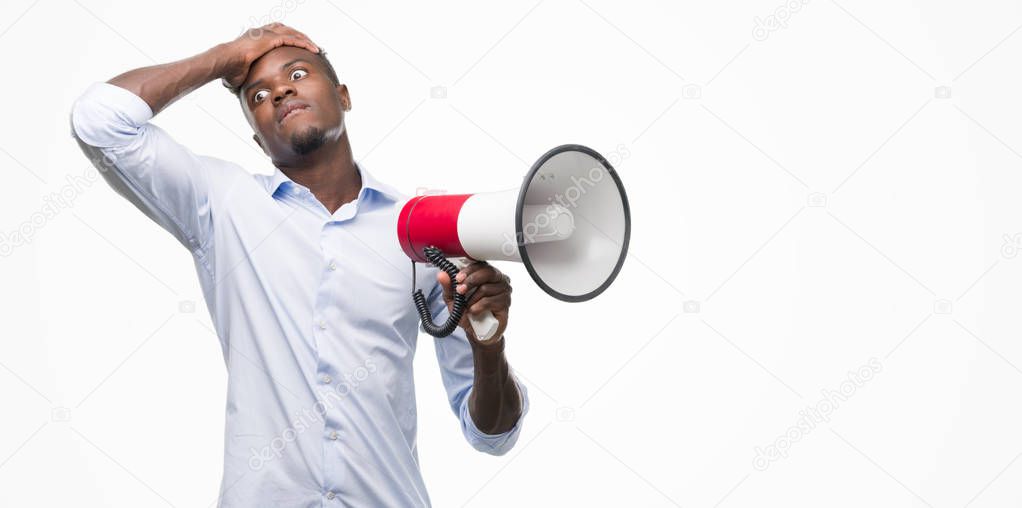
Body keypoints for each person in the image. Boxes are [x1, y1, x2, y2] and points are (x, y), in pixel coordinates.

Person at [70, 22, 527, 507]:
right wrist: (228, 56)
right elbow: (100, 120)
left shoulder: (419, 231)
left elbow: (492, 435)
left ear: (344, 97)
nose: (280, 89)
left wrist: (489, 348)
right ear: (257, 139)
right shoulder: (221, 203)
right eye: (258, 95)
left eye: (299, 72)